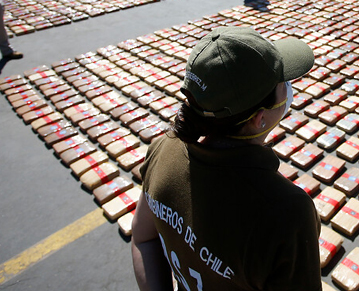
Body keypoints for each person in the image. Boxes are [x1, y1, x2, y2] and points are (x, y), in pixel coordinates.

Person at [131, 26, 321, 291]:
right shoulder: (285, 212)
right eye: (282, 82)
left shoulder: (162, 149)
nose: (288, 87)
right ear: (259, 119)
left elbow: (143, 239)